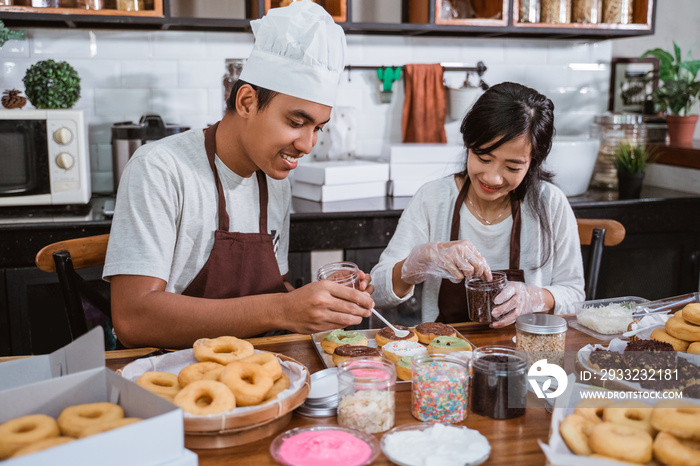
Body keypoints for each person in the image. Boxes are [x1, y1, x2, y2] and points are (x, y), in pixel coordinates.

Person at [103, 0, 373, 349]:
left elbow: (270, 296)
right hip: (170, 375)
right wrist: (283, 308)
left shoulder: (275, 181)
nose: (308, 144)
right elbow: (133, 319)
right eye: (296, 122)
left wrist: (317, 301)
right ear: (246, 102)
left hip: (256, 367)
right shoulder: (160, 169)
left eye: (318, 128)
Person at [371, 82, 585, 328]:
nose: (492, 178)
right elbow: (377, 292)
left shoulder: (551, 204)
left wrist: (537, 298)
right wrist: (416, 263)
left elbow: (575, 296)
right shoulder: (433, 199)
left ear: (532, 163)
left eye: (512, 167)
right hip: (444, 357)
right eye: (483, 158)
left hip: (527, 352)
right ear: (468, 145)